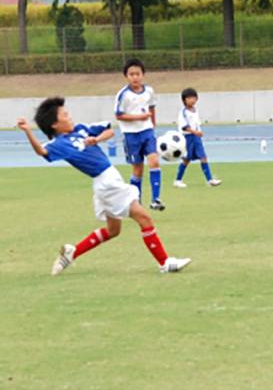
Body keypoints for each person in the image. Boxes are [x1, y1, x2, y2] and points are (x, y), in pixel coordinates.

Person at [17, 97, 191, 275]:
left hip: (108, 180)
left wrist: (97, 139)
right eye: (65, 115)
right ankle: (165, 262)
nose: (70, 117)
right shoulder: (59, 144)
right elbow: (42, 151)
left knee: (113, 230)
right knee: (144, 218)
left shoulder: (80, 130)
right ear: (54, 124)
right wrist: (28, 131)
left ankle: (72, 253)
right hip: (107, 184)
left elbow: (109, 131)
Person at [114, 58, 164, 210]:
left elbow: (152, 107)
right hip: (131, 135)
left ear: (143, 74)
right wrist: (139, 117)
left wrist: (152, 123)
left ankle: (156, 199)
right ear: (126, 76)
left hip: (147, 132)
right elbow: (119, 115)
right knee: (138, 170)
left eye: (138, 74)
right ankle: (136, 202)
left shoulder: (149, 91)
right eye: (131, 74)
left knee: (154, 161)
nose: (135, 77)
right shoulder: (123, 95)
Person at [173, 88, 222, 188]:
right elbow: (184, 126)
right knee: (186, 159)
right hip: (187, 138)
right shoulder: (183, 112)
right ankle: (178, 180)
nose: (192, 100)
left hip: (196, 138)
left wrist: (199, 132)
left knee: (203, 157)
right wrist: (195, 132)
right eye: (189, 98)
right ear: (184, 100)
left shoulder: (195, 111)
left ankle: (210, 180)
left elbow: (196, 123)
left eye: (193, 97)